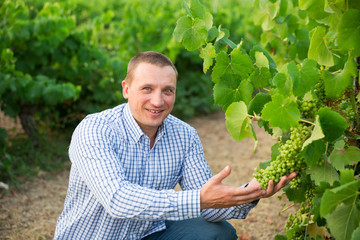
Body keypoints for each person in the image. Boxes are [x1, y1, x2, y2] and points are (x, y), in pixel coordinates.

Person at [54, 51, 296, 240]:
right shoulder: (95, 129)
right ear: (126, 89)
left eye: (167, 91)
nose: (158, 101)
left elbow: (209, 207)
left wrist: (250, 193)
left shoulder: (184, 135)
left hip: (144, 234)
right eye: (147, 88)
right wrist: (198, 199)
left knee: (217, 234)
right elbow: (118, 200)